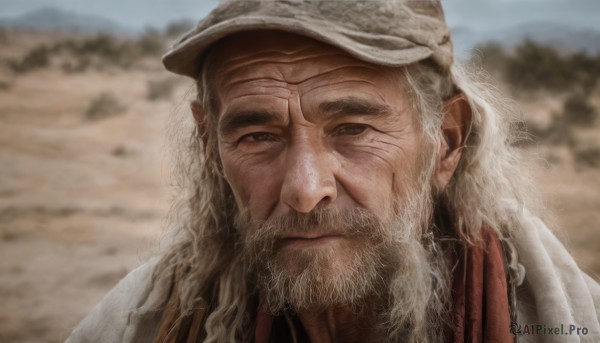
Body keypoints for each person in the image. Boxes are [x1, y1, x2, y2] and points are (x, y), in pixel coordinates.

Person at [67, 0, 600, 342]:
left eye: (354, 128)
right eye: (257, 136)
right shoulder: (146, 322)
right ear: (212, 149)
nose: (304, 189)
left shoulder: (568, 321)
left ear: (446, 141)